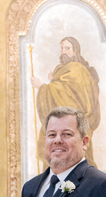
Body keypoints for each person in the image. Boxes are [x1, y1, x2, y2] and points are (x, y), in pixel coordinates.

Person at [33, 35, 100, 167]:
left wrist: (42, 87)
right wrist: (53, 82)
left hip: (73, 126)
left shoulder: (76, 68)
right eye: (62, 48)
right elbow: (65, 91)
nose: (63, 51)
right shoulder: (66, 69)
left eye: (67, 48)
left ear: (75, 51)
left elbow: (69, 98)